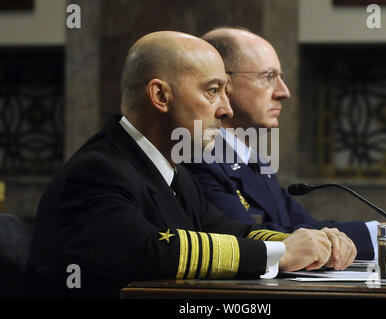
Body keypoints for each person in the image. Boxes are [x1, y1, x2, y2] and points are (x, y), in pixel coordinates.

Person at [27, 31, 356, 299]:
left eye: (226, 92)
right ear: (161, 96)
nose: (225, 110)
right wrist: (279, 254)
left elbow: (231, 231)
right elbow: (151, 250)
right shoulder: (98, 171)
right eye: (212, 91)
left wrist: (308, 242)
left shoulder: (174, 173)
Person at [183, 27, 386, 261]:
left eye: (280, 77)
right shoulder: (196, 155)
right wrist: (385, 234)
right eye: (269, 76)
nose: (284, 91)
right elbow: (249, 237)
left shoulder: (253, 159)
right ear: (224, 84)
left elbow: (306, 227)